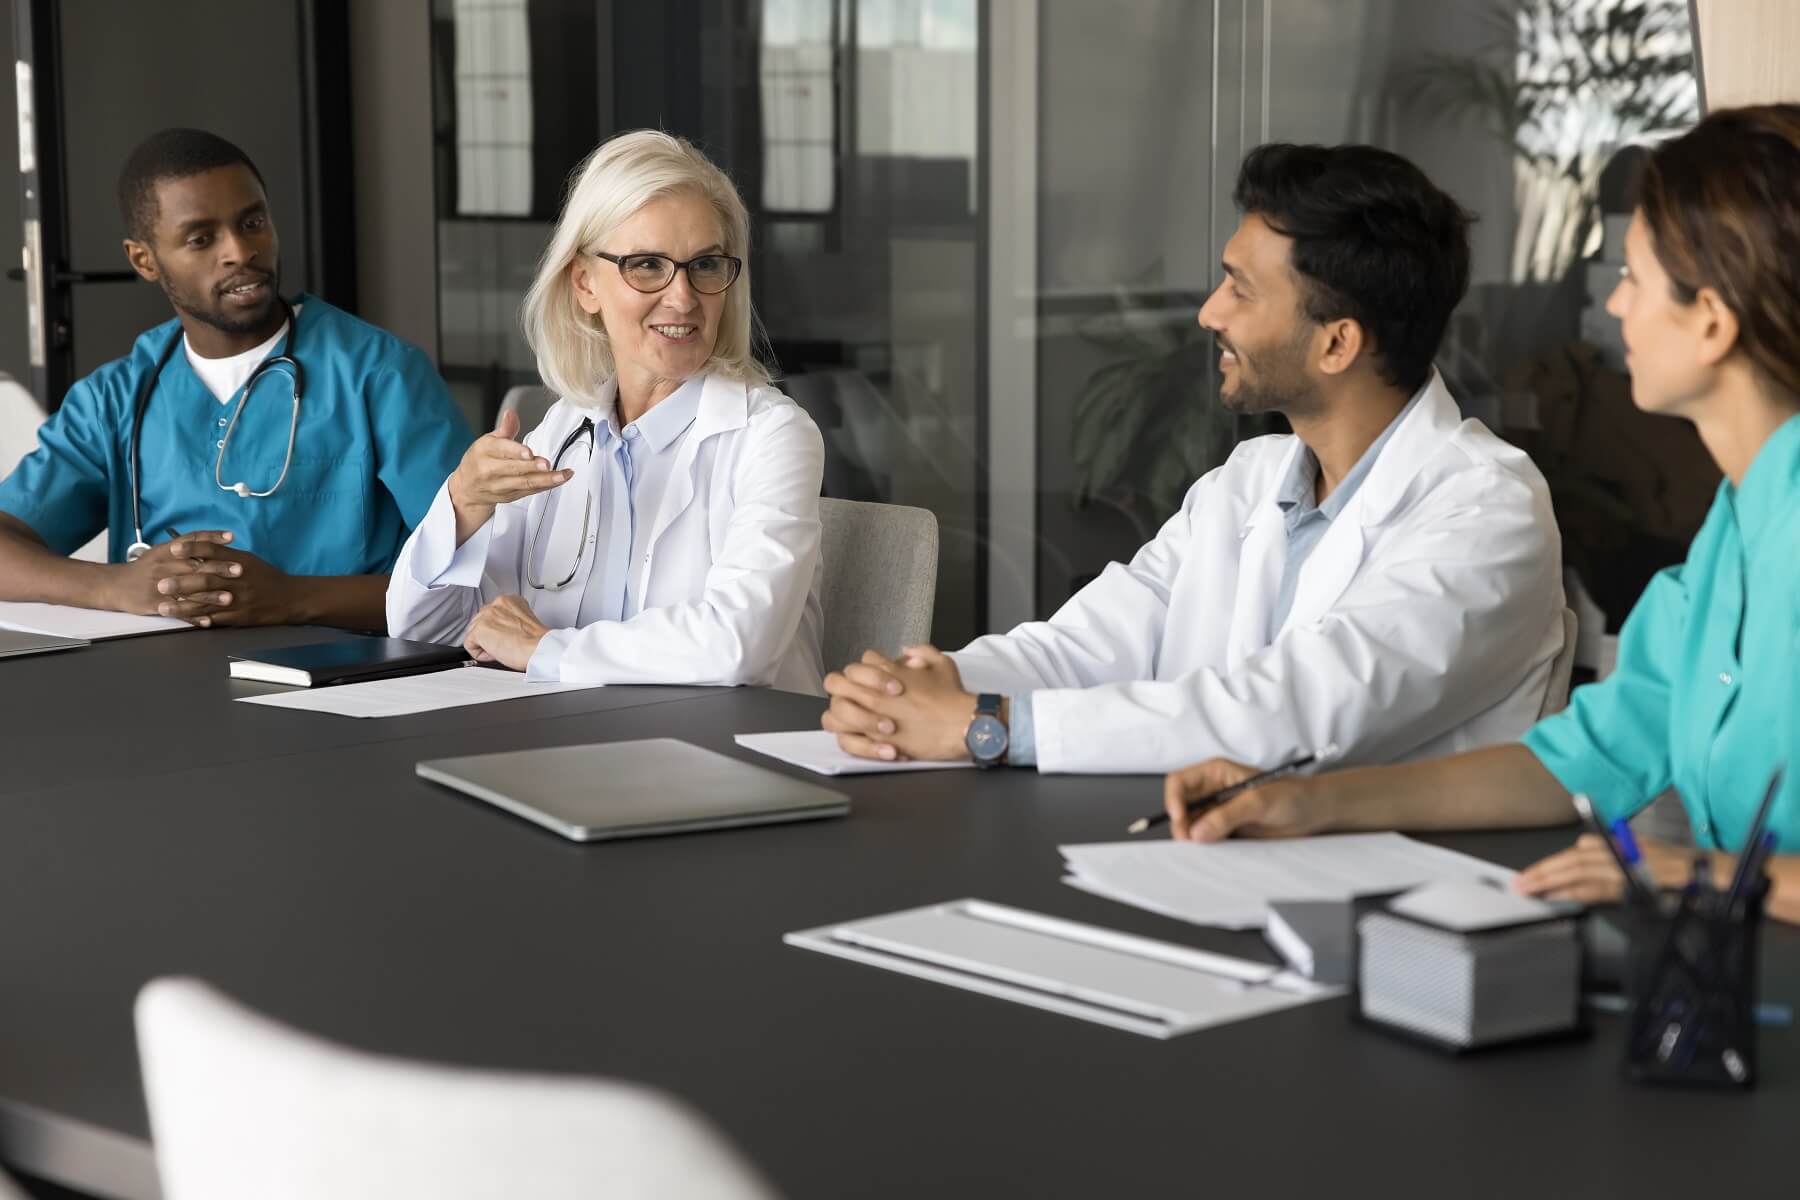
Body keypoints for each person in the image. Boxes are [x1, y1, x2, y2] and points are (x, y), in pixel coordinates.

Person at [1161, 106, 1800, 924]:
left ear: (1711, 321)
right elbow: (1581, 758)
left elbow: (1696, 859)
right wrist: (1308, 803)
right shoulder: (1735, 532)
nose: (1613, 309)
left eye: (1634, 279)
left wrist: (1695, 878)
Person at [822, 143, 1565, 772]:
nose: (1210, 311)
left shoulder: (1488, 509)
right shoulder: (1246, 483)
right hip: (1206, 858)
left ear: (1337, 342)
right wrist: (927, 687)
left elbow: (1297, 707)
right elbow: (1088, 645)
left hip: (1389, 904)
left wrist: (988, 726)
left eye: (1240, 289)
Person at [386, 131, 824, 691]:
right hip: (574, 749)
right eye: (646, 265)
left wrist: (545, 647)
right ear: (585, 283)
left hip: (728, 757)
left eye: (706, 265)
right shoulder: (562, 432)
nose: (684, 297)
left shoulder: (773, 436)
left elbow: (737, 647)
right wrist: (463, 504)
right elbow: (425, 630)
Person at [0, 129, 471, 630]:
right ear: (144, 260)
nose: (239, 251)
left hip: (337, 677)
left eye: (253, 222)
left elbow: (476, 578)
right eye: (201, 238)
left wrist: (291, 598)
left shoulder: (379, 375)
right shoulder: (114, 398)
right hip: (155, 676)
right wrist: (113, 586)